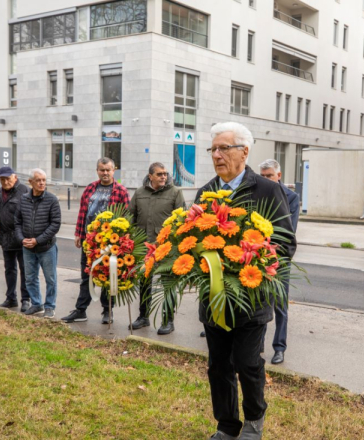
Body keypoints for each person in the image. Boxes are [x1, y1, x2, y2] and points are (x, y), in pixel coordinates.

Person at [196, 122, 296, 440]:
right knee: (218, 366)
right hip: (214, 299)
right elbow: (192, 237)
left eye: (224, 148)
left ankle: (254, 421)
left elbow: (285, 243)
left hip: (251, 298)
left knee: (247, 362)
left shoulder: (268, 191)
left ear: (244, 151)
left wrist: (247, 261)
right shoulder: (205, 192)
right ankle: (227, 425)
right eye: (213, 149)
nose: (217, 155)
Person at [62, 158, 130, 325]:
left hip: (110, 243)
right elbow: (82, 213)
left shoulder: (121, 191)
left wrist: (123, 241)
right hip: (89, 241)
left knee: (108, 276)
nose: (105, 173)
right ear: (97, 170)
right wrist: (78, 233)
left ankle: (107, 311)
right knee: (87, 276)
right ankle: (80, 310)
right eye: (102, 170)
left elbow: (127, 217)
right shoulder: (90, 189)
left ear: (114, 170)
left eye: (108, 170)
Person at [128, 162, 185, 334]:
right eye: (159, 174)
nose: (163, 177)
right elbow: (131, 216)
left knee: (168, 284)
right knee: (145, 283)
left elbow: (182, 219)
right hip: (144, 245)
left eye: (165, 174)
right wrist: (130, 240)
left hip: (167, 247)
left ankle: (168, 321)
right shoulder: (139, 193)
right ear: (150, 176)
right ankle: (143, 317)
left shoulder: (175, 192)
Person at [258, 159, 300, 365]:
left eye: (269, 176)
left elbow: (288, 229)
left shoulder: (291, 197)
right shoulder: (256, 194)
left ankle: (279, 347)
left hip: (280, 257)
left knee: (281, 306)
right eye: (262, 176)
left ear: (279, 176)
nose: (266, 179)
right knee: (260, 302)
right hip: (258, 257)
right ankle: (258, 346)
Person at [15, 169, 61, 318]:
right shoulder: (23, 199)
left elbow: (55, 224)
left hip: (46, 247)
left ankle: (49, 306)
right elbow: (17, 222)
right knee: (30, 277)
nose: (42, 183)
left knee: (50, 278)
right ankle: (36, 304)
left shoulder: (52, 199)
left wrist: (38, 240)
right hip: (27, 247)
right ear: (30, 182)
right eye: (38, 180)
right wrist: (22, 239)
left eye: (44, 180)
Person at [0, 167, 31, 312]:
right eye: (2, 179)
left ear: (15, 177)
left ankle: (26, 300)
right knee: (9, 269)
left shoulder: (24, 190)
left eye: (8, 178)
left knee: (24, 270)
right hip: (5, 238)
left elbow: (29, 214)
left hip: (21, 237)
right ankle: (11, 298)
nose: (5, 182)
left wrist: (24, 234)